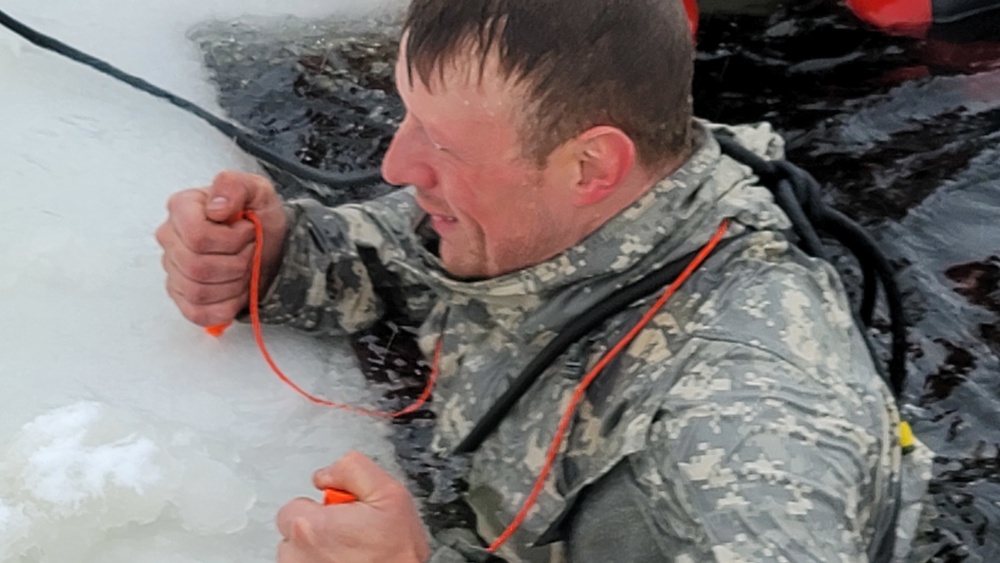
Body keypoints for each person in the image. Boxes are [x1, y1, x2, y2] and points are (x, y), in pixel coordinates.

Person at [156, 0, 922, 560]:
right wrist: (278, 255)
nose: (394, 165)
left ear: (590, 166)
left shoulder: (750, 429)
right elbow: (407, 253)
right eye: (408, 114)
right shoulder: (563, 206)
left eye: (443, 144)